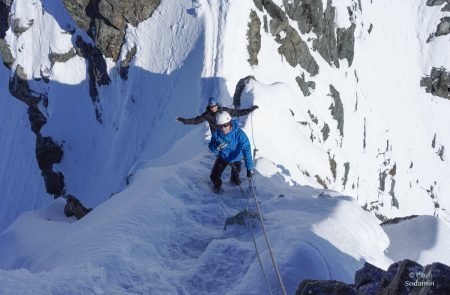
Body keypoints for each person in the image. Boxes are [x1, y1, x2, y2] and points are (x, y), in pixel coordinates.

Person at [208, 111, 254, 193]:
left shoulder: (239, 134)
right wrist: (216, 148)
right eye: (220, 126)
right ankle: (218, 185)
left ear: (229, 123)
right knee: (214, 177)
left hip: (236, 158)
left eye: (225, 125)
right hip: (223, 157)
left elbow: (246, 150)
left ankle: (234, 178)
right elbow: (211, 145)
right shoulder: (217, 134)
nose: (223, 128)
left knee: (236, 176)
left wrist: (249, 168)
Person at [176, 96, 258, 133]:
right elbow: (195, 121)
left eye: (214, 106)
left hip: (226, 130)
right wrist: (182, 120)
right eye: (211, 106)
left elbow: (237, 113)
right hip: (217, 134)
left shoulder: (223, 110)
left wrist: (250, 110)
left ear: (216, 105)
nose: (213, 108)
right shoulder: (206, 115)